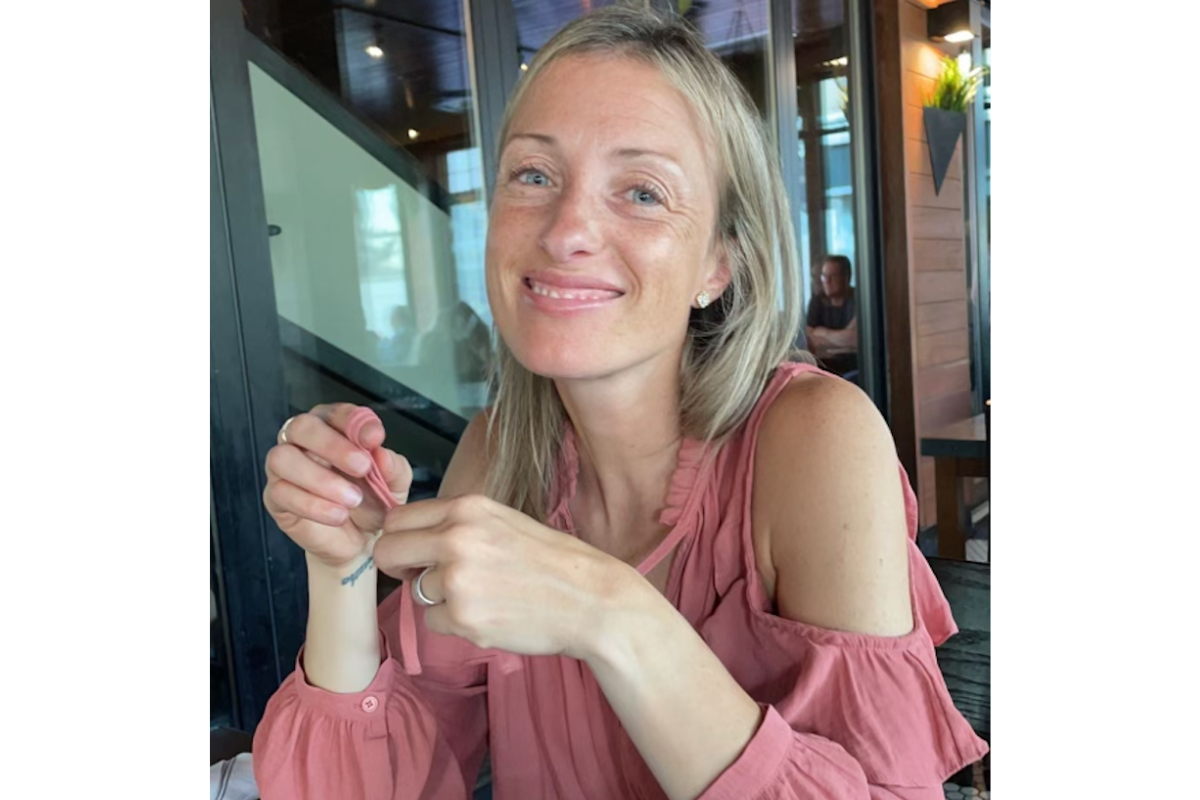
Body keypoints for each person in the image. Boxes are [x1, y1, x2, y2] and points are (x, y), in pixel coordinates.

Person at [252, 6, 987, 800]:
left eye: (641, 191)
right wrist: (344, 573)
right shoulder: (501, 454)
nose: (567, 230)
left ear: (718, 265)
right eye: (534, 175)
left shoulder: (814, 438)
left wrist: (614, 616)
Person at [804, 255, 858, 379]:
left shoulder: (857, 298)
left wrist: (821, 332)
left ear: (846, 278)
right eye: (824, 276)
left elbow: (855, 339)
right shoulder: (817, 301)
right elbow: (809, 338)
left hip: (855, 366)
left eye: (832, 276)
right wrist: (842, 338)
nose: (827, 281)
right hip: (823, 367)